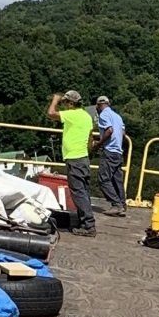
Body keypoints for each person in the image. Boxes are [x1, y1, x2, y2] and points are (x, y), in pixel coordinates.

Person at [47, 90, 96, 232]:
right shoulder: (87, 116)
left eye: (65, 103)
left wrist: (55, 100)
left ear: (71, 103)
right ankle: (84, 222)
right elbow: (90, 138)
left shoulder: (71, 115)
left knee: (78, 192)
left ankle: (88, 225)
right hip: (83, 157)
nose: (64, 106)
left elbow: (51, 113)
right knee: (84, 191)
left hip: (74, 158)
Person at [92, 94, 127, 215]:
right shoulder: (117, 116)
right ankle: (122, 205)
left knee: (103, 179)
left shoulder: (104, 114)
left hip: (109, 151)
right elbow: (122, 133)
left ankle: (116, 205)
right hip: (118, 152)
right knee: (117, 180)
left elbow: (109, 130)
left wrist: (98, 144)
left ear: (98, 105)